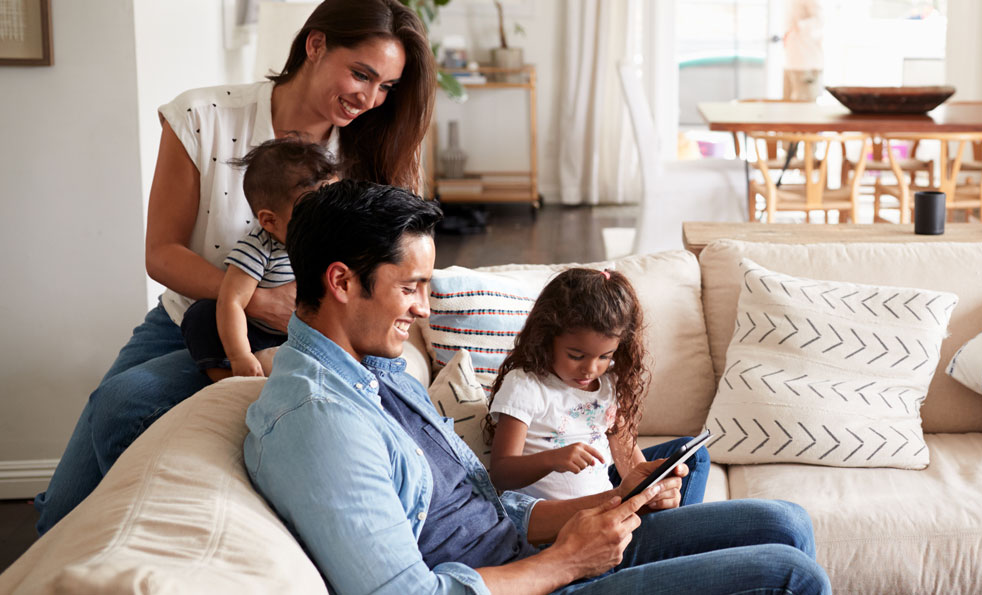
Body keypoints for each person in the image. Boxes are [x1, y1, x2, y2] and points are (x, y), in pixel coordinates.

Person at [244, 179, 831, 595]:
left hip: (528, 549)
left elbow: (490, 509)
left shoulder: (381, 373)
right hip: (530, 582)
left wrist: (616, 499)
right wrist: (568, 562)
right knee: (791, 575)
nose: (423, 309)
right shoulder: (318, 422)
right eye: (411, 288)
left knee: (786, 522)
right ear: (343, 282)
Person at [34, 0, 435, 534]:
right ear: (315, 45)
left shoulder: (368, 152)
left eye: (386, 86)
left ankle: (137, 539)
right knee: (65, 504)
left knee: (124, 403)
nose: (370, 98)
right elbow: (162, 253)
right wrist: (251, 297)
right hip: (187, 317)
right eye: (361, 73)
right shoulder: (202, 116)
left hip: (291, 333)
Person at [486, 269, 709, 505]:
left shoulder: (608, 383)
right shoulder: (526, 385)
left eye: (604, 356)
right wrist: (552, 459)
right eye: (576, 355)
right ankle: (677, 530)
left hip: (608, 501)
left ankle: (673, 525)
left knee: (694, 457)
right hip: (564, 518)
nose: (590, 369)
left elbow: (630, 463)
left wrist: (651, 491)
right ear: (547, 337)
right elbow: (501, 473)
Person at [178, 138, 339, 382]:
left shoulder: (333, 242)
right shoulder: (259, 248)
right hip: (258, 335)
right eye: (312, 214)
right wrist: (240, 355)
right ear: (270, 221)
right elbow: (231, 301)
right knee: (203, 314)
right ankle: (227, 378)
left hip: (307, 335)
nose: (327, 222)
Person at [782, 0, 824, 102]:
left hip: (806, 64)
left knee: (804, 107)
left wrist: (797, 27)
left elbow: (820, 20)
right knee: (787, 105)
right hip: (791, 62)